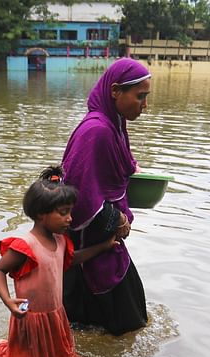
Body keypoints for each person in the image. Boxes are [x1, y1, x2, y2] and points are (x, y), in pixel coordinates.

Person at [0, 166, 119, 357]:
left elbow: (73, 260)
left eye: (70, 212)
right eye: (63, 213)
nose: (70, 219)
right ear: (41, 214)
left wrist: (103, 246)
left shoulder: (61, 241)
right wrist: (9, 301)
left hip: (55, 314)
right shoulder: (25, 246)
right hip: (31, 318)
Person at [61, 58, 151, 336]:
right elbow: (80, 197)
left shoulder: (114, 127)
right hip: (89, 243)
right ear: (115, 91)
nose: (144, 105)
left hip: (103, 238)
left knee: (116, 323)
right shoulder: (97, 131)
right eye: (140, 97)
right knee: (127, 326)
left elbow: (116, 171)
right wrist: (118, 219)